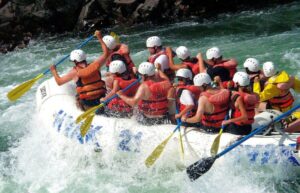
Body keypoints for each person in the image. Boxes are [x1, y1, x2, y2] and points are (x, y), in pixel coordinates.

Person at [50, 30, 108, 111]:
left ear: (75, 61)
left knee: (77, 97)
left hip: (88, 104)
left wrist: (53, 71)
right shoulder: (96, 65)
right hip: (101, 100)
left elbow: (59, 82)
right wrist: (99, 37)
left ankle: (82, 111)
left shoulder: (74, 72)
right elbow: (106, 53)